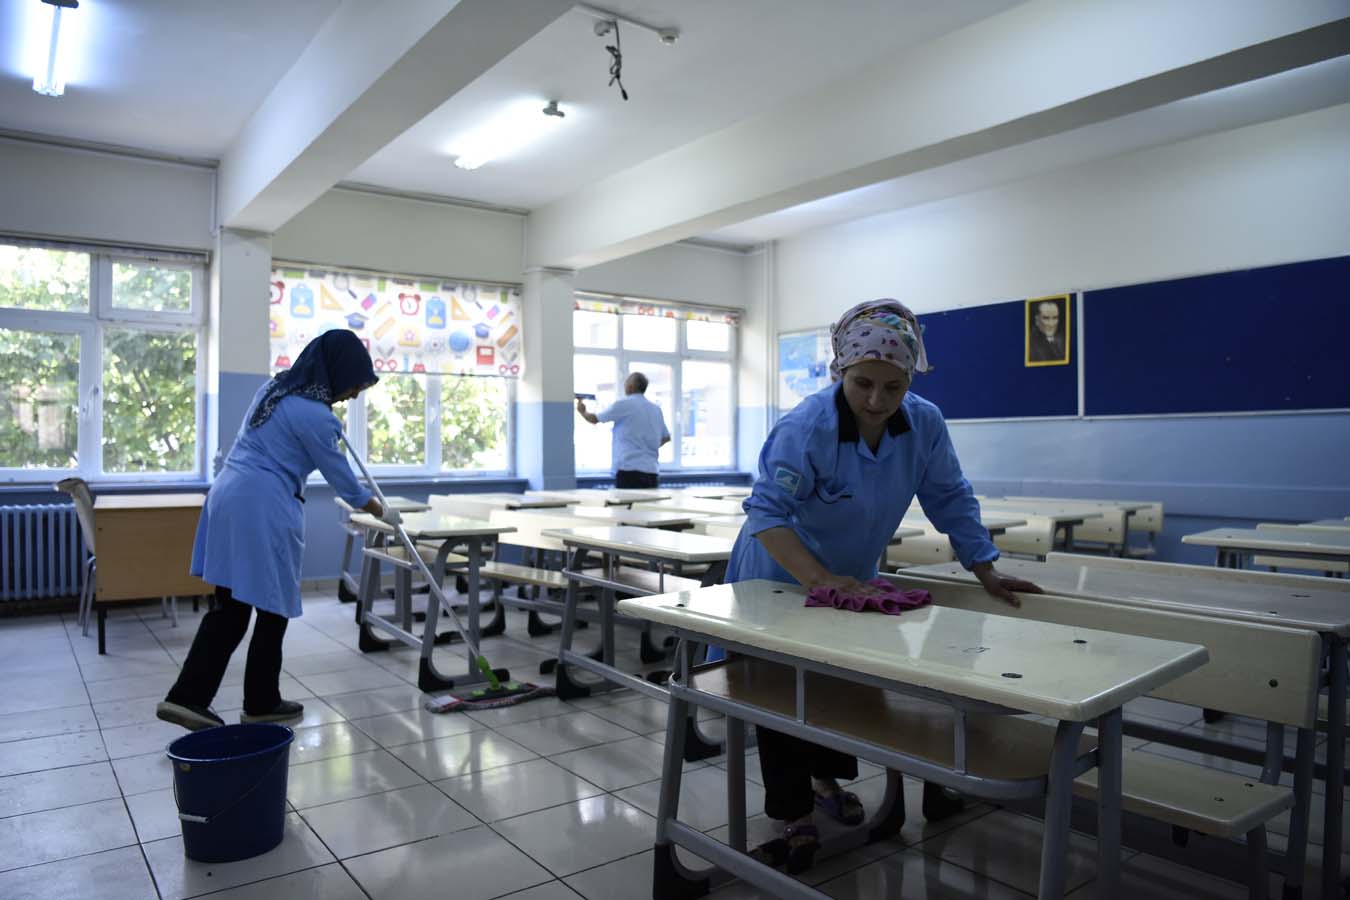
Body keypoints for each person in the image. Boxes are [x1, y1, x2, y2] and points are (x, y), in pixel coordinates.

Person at [726, 299, 1042, 874]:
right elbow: (768, 513)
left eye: (892, 387)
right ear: (839, 372)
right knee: (778, 694)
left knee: (840, 690)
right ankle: (792, 815)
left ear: (910, 381)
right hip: (777, 575)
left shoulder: (924, 423)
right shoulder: (806, 426)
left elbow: (949, 495)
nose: (876, 401)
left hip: (850, 579)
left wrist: (985, 566)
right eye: (862, 383)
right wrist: (818, 581)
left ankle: (824, 783)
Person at [157, 330, 397, 731]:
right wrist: (381, 510)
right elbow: (345, 482)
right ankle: (260, 701)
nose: (354, 395)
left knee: (232, 606)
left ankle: (189, 697)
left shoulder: (275, 389)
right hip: (261, 503)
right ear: (336, 373)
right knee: (273, 606)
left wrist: (328, 428)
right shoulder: (316, 416)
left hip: (228, 494)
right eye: (354, 384)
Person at [575, 372, 670, 489]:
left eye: (626, 383)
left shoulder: (624, 404)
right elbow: (666, 437)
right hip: (652, 471)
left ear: (631, 386)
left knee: (627, 506)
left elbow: (595, 419)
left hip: (629, 470)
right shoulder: (655, 409)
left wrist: (582, 412)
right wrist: (648, 445)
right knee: (648, 506)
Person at [1028, 298, 1067, 362]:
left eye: (1055, 318)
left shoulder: (1062, 339)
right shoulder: (1030, 343)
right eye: (1046, 318)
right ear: (1037, 320)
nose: (1051, 324)